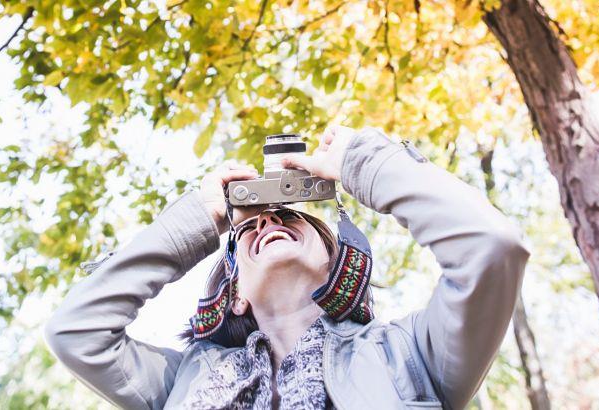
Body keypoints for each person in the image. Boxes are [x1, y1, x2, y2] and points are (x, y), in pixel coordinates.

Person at [44, 125, 530, 410]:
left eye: (292, 218)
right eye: (249, 229)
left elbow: (490, 247)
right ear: (235, 293)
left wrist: (364, 165)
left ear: (335, 265)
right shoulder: (181, 379)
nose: (269, 220)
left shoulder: (411, 355)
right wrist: (201, 219)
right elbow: (76, 332)